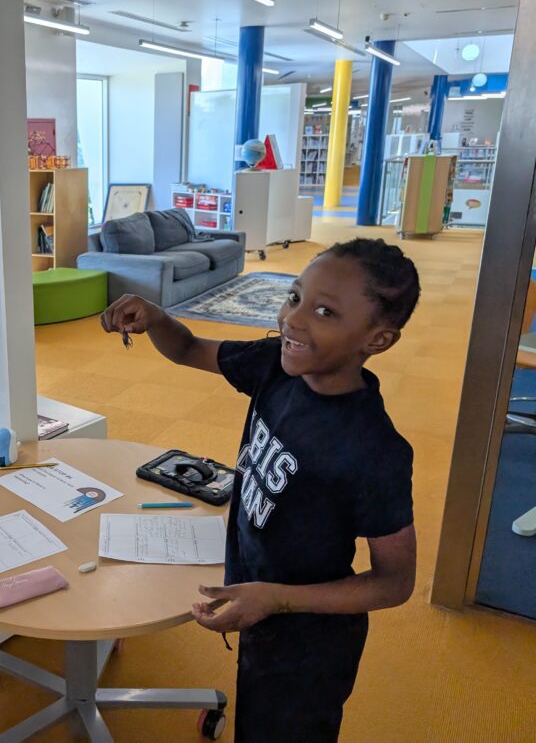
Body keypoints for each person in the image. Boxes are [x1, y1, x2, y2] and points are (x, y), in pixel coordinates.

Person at [101, 238, 419, 742]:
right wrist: (157, 318)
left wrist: (277, 600)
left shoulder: (374, 450)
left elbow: (394, 583)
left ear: (377, 339)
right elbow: (187, 348)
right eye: (294, 297)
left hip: (309, 641)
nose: (292, 320)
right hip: (257, 599)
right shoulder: (277, 365)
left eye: (324, 312)